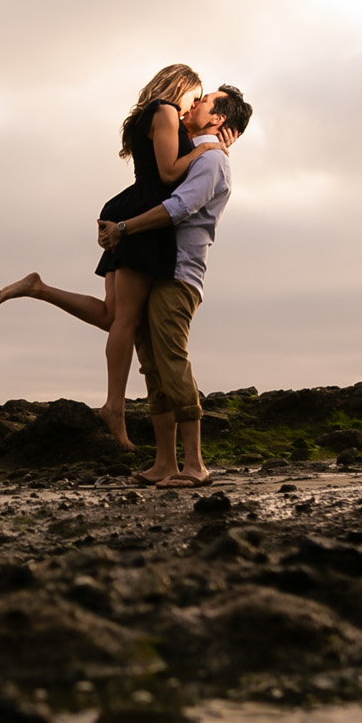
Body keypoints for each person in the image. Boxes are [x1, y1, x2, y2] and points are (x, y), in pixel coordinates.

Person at [0, 65, 210, 450]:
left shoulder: (145, 116)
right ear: (182, 86)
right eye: (194, 98)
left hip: (127, 208)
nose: (190, 109)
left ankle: (39, 288)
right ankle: (114, 405)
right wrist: (206, 149)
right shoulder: (163, 111)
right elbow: (167, 174)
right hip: (142, 216)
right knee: (125, 319)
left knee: (113, 316)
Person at [99, 85, 250, 486]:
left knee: (171, 361)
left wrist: (124, 228)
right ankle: (165, 463)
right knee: (152, 367)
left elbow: (179, 208)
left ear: (217, 119)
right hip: (159, 267)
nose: (194, 103)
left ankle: (196, 465)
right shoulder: (194, 154)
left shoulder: (213, 160)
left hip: (180, 273)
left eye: (204, 101)